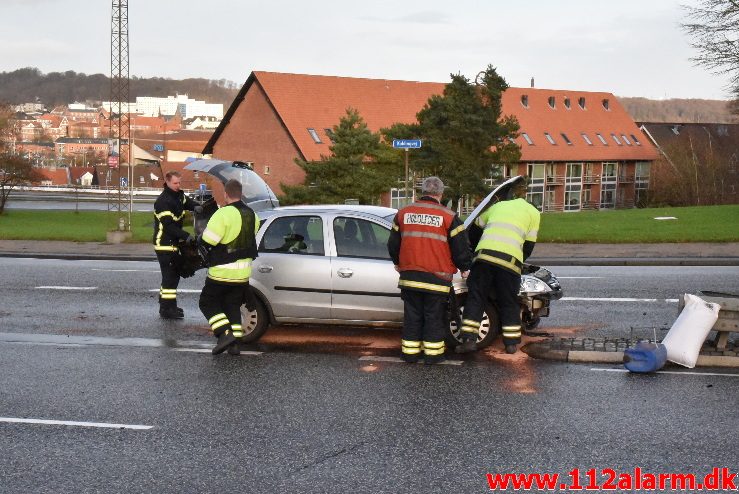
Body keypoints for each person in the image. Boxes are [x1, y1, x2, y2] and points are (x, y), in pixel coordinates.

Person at [387, 176, 472, 364]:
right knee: (433, 317)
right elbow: (460, 247)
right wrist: (465, 267)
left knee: (412, 317)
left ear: (421, 192)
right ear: (440, 194)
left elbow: (393, 244)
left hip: (409, 277)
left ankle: (410, 354)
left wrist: (397, 262)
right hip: (437, 279)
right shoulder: (449, 216)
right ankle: (433, 357)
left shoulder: (403, 213)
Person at [456, 177, 540, 355]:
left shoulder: (497, 206)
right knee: (508, 302)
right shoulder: (534, 214)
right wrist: (518, 261)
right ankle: (510, 344)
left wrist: (471, 254)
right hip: (509, 264)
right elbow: (528, 246)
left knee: (476, 297)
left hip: (484, 259)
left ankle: (469, 340)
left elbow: (474, 232)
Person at [197, 179, 259, 355]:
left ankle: (224, 333)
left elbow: (209, 240)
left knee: (207, 303)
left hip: (222, 272)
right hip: (243, 274)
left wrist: (200, 236)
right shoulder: (252, 214)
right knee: (231, 305)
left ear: (226, 194)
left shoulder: (223, 214)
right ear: (241, 194)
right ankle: (235, 344)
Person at [153, 170, 201, 319]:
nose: (178, 185)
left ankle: (166, 305)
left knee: (172, 276)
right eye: (175, 183)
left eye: (179, 182)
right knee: (170, 277)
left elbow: (187, 202)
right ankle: (168, 309)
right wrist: (186, 236)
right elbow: (169, 226)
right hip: (164, 244)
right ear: (167, 182)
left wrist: (197, 206)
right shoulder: (162, 201)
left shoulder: (179, 196)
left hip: (173, 243)